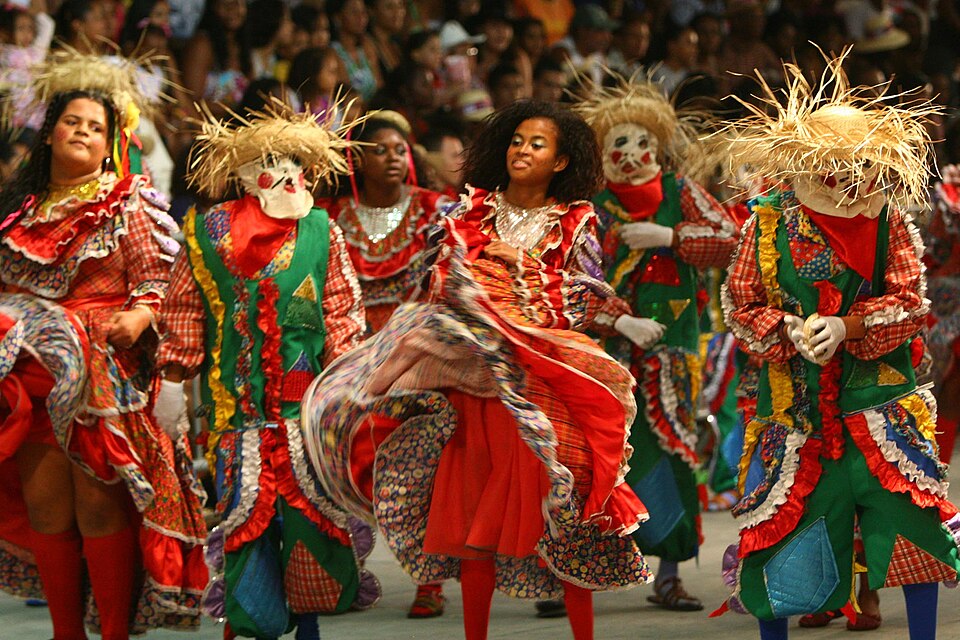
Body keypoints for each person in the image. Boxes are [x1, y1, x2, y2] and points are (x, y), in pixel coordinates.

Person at [302, 100, 652, 640]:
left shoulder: (575, 222)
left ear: (560, 161)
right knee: (471, 529)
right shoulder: (469, 211)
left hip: (536, 391)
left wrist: (519, 274)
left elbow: (578, 303)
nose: (522, 151)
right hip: (471, 389)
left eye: (537, 144)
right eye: (517, 141)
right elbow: (441, 284)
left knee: (566, 521)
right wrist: (483, 289)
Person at [718, 52, 960, 640]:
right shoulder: (767, 222)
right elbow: (740, 306)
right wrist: (790, 329)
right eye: (829, 163)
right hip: (794, 410)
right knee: (781, 535)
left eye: (854, 163)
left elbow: (910, 302)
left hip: (883, 406)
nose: (842, 177)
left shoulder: (888, 220)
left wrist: (848, 326)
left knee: (912, 528)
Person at [0, 50, 207, 640]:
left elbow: (160, 280)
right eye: (73, 122)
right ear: (50, 133)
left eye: (96, 127)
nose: (83, 132)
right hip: (31, 381)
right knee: (47, 508)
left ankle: (113, 633)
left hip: (101, 380)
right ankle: (66, 633)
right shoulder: (16, 212)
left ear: (110, 142)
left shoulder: (128, 200)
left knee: (97, 507)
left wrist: (140, 316)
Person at [154, 101, 378, 640]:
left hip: (308, 413)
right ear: (243, 175)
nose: (286, 174)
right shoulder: (206, 233)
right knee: (244, 521)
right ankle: (252, 623)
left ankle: (309, 625)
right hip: (236, 414)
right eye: (272, 163)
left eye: (295, 163)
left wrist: (348, 384)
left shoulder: (322, 230)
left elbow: (342, 311)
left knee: (311, 522)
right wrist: (173, 378)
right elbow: (185, 308)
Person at [575, 72, 739, 612]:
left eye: (642, 141)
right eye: (619, 142)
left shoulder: (681, 193)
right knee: (596, 455)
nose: (631, 152)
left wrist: (670, 236)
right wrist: (614, 321)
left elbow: (731, 239)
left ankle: (669, 572)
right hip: (605, 350)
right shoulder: (590, 205)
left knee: (673, 448)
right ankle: (578, 570)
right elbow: (572, 279)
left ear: (659, 149)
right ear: (602, 153)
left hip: (673, 350)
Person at [320, 111, 452, 336]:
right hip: (347, 336)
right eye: (381, 151)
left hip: (416, 337)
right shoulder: (330, 214)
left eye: (400, 151)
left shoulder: (435, 210)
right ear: (357, 160)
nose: (393, 158)